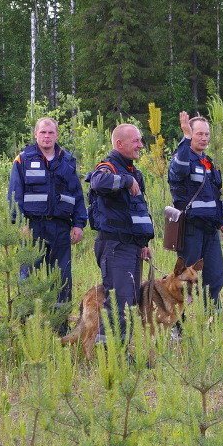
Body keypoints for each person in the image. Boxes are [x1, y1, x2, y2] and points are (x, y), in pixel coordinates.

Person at [8, 117, 87, 335]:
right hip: (32, 228)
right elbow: (15, 194)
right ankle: (24, 328)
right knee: (28, 278)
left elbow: (77, 195)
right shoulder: (23, 160)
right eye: (43, 132)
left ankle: (60, 328)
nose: (47, 136)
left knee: (62, 279)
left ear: (57, 135)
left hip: (60, 229)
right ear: (35, 135)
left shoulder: (67, 161)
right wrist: (19, 223)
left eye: (51, 133)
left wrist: (79, 224)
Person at [86, 123, 154, 342]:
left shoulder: (134, 172)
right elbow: (98, 182)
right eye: (136, 141)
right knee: (118, 302)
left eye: (140, 140)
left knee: (129, 303)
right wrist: (125, 180)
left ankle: (121, 353)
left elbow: (138, 211)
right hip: (114, 246)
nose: (140, 145)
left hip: (132, 247)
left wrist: (143, 242)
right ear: (119, 143)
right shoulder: (108, 167)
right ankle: (108, 355)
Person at [168, 112, 223, 308]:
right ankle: (178, 325)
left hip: (210, 230)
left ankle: (213, 318)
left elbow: (214, 196)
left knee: (216, 276)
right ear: (190, 134)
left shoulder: (208, 163)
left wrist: (222, 222)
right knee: (184, 280)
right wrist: (186, 138)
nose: (204, 138)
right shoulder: (181, 158)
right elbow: (178, 170)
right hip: (190, 230)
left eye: (206, 134)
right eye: (199, 134)